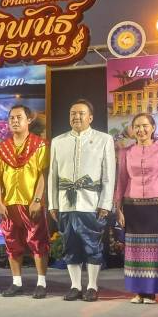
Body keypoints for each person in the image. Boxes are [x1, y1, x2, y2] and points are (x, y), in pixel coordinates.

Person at [48, 99, 116, 302]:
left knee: (92, 245)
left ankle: (92, 286)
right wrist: (53, 203)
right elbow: (53, 174)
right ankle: (75, 286)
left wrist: (105, 203)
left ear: (90, 117)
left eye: (81, 113)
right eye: (73, 113)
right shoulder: (58, 141)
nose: (76, 117)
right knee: (70, 244)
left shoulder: (104, 139)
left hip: (92, 202)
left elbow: (109, 175)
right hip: (65, 202)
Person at [114, 113, 158, 304]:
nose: (141, 130)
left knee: (154, 250)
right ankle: (138, 291)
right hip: (132, 206)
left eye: (145, 126)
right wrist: (118, 208)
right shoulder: (126, 152)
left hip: (156, 206)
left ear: (153, 128)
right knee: (134, 250)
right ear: (132, 130)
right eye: (137, 126)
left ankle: (151, 292)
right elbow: (121, 181)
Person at [0, 105, 50, 298]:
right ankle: (16, 282)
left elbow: (43, 174)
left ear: (29, 120)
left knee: (38, 242)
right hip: (8, 204)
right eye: (11, 118)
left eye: (19, 117)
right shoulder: (1, 149)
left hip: (31, 202)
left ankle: (41, 283)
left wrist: (37, 199)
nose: (15, 121)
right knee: (11, 242)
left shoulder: (39, 145)